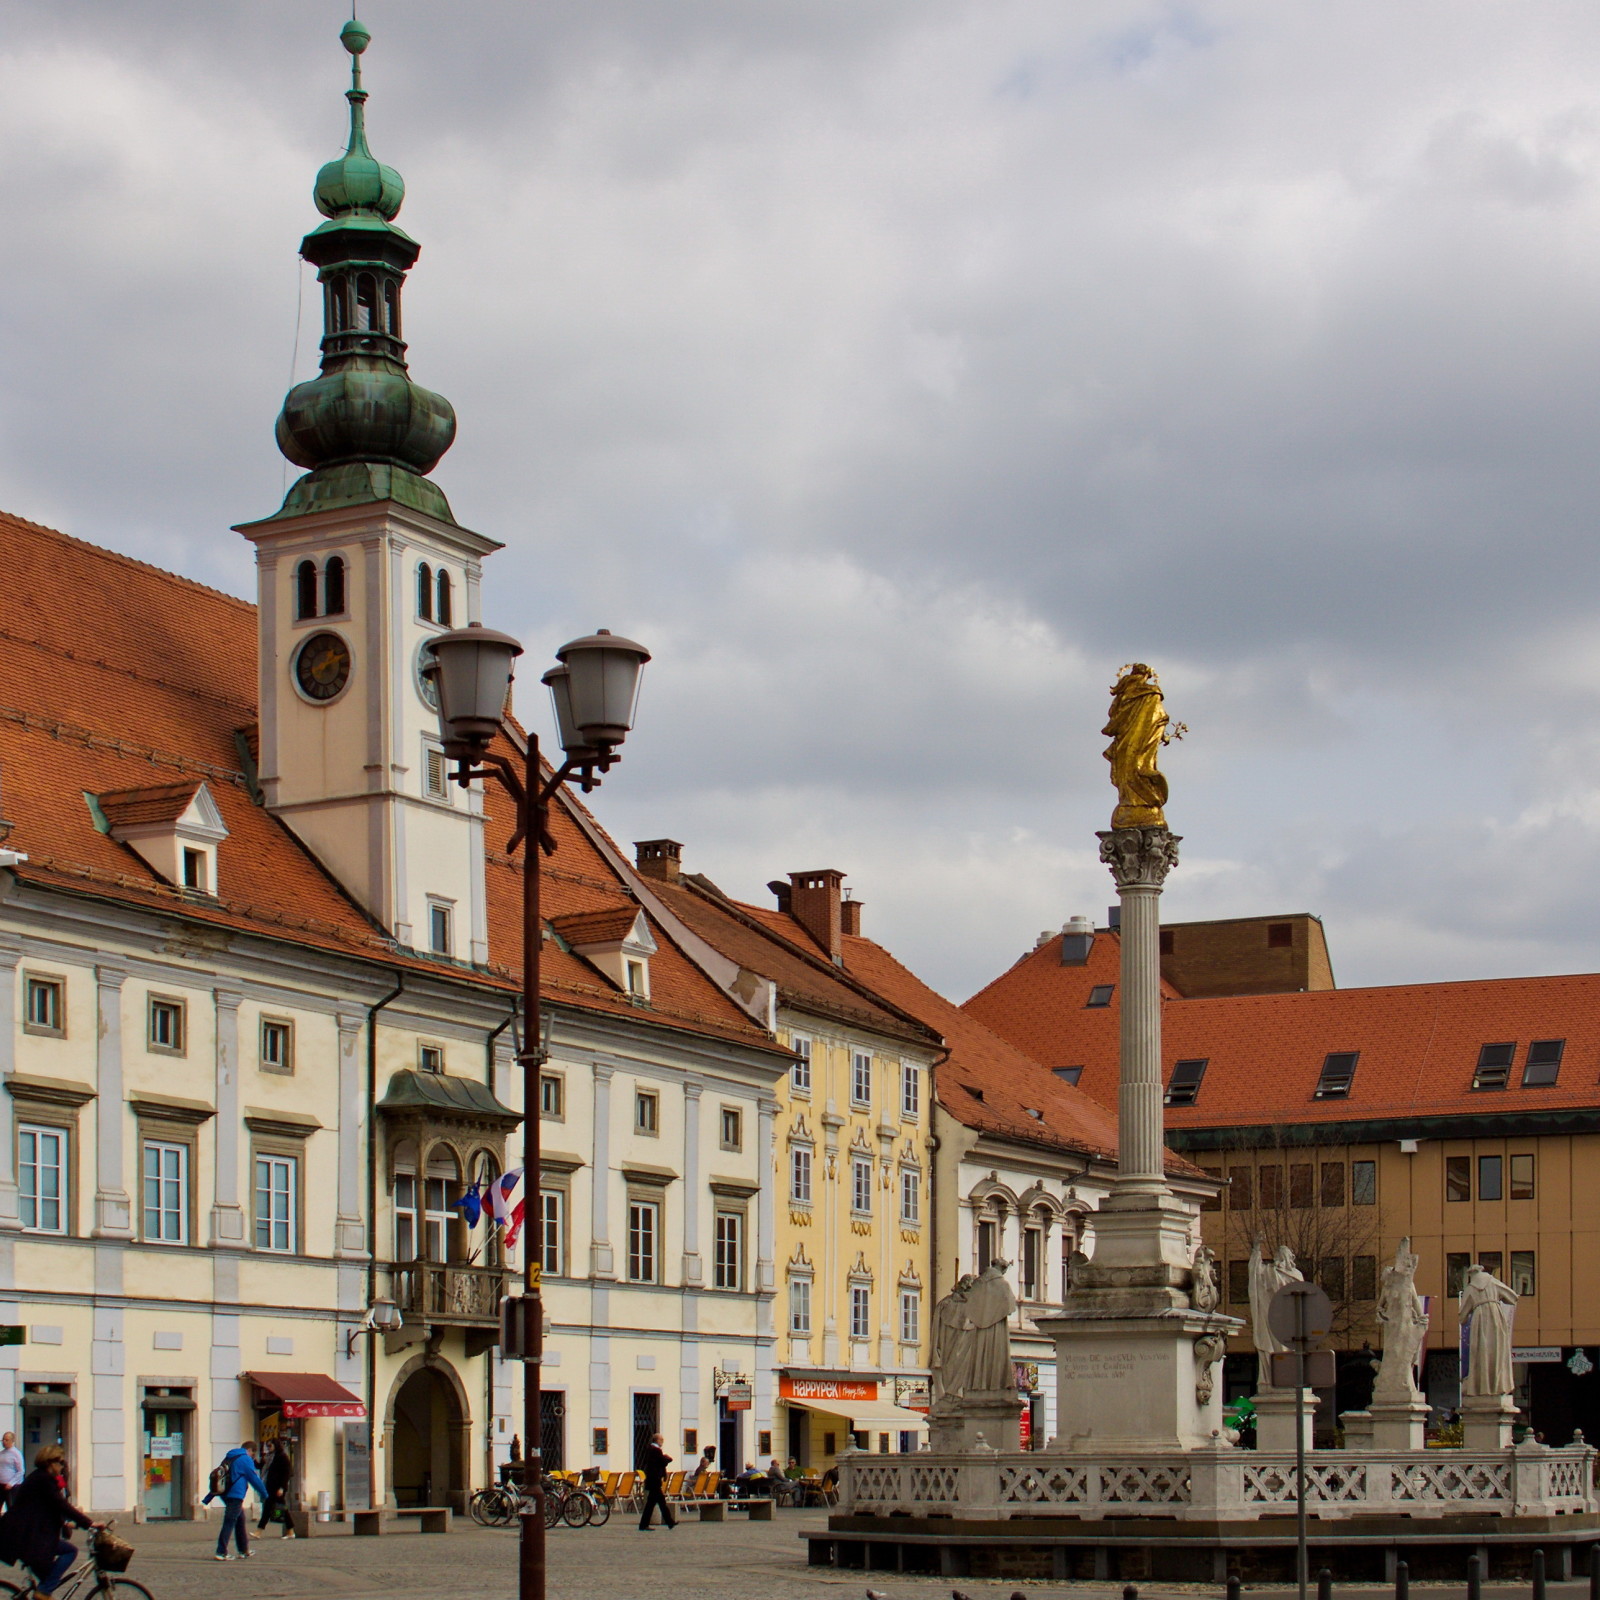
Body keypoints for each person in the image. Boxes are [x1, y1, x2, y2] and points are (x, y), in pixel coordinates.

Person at [0, 1446, 99, 1596]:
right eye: (60, 1462)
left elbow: (47, 1509)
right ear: (50, 1463)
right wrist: (89, 1523)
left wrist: (67, 1523)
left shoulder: (39, 1478)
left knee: (49, 1578)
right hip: (28, 1539)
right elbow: (61, 1505)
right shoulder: (43, 1480)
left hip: (27, 1537)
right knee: (70, 1551)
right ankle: (43, 1592)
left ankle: (44, 1591)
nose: (62, 1466)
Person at [202, 1440, 268, 1561]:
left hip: (225, 1493)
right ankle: (221, 1552)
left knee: (240, 1520)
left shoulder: (230, 1456)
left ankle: (244, 1550)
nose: (253, 1458)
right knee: (229, 1522)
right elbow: (253, 1478)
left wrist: (208, 1498)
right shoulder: (245, 1459)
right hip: (235, 1495)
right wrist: (264, 1494)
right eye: (253, 1455)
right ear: (249, 1451)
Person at [637, 1432, 675, 1531]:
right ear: (657, 1440)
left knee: (652, 1504)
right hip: (655, 1481)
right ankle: (669, 1521)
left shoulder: (649, 1449)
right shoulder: (656, 1450)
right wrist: (667, 1459)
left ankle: (645, 1524)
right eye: (661, 1440)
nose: (662, 1442)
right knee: (660, 1503)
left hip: (651, 1480)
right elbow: (661, 1462)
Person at [259, 1441, 295, 1538]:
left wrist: (282, 1488)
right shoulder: (268, 1457)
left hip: (278, 1488)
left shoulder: (282, 1457)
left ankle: (259, 1531)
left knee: (269, 1509)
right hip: (269, 1486)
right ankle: (290, 1531)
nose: (268, 1447)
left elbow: (286, 1473)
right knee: (280, 1509)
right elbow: (260, 1466)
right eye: (267, 1446)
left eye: (270, 1445)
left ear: (276, 1446)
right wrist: (254, 1460)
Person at [0, 1433, 24, 1511]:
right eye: (3, 1439)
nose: (4, 1442)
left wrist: (11, 1483)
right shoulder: (2, 1453)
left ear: (12, 1441)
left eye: (6, 1440)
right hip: (1, 1484)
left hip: (12, 1487)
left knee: (11, 1507)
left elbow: (21, 1471)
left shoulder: (16, 1453)